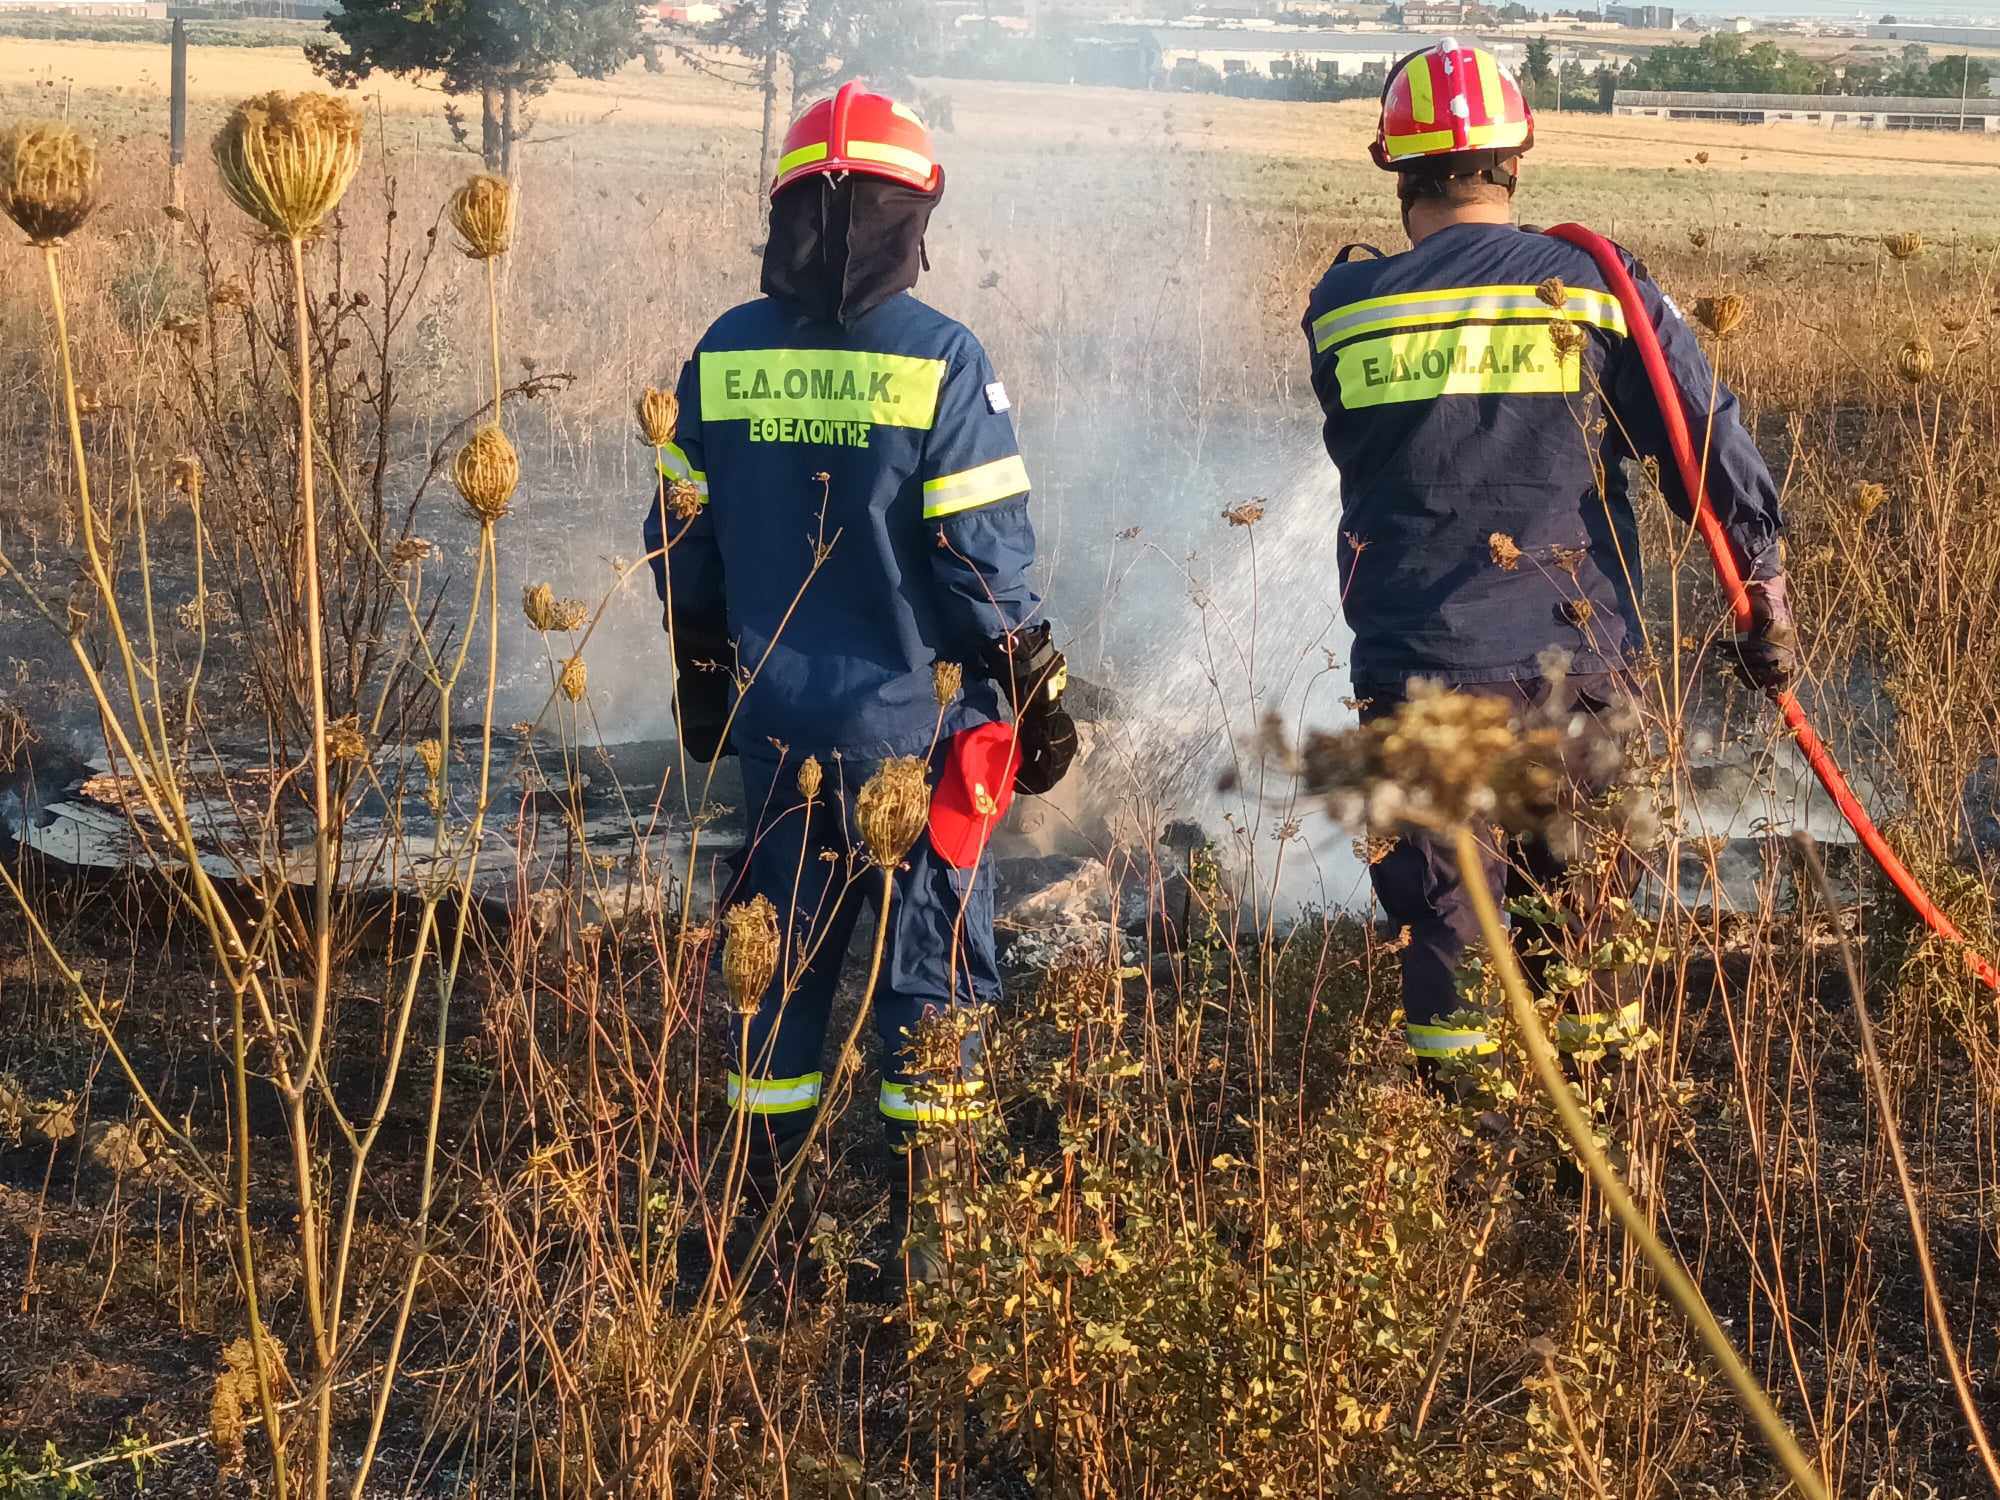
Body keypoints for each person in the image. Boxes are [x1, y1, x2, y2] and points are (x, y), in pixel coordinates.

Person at [644, 83, 1075, 1291]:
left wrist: (699, 677)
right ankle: (931, 1248)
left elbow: (681, 539)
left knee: (772, 969)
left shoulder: (724, 350)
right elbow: (984, 570)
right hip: (919, 742)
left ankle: (746, 1234)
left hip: (780, 735)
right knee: (928, 975)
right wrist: (1038, 698)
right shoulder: (940, 356)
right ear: (913, 213)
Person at [1302, 41, 1794, 1066]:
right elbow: (1700, 436)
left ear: (1396, 168)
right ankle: (1597, 1147)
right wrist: (1762, 591)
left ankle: (1456, 1162)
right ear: (1513, 162)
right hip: (1577, 664)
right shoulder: (1597, 288)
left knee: (1444, 930)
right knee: (1587, 917)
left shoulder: (1341, 309)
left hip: (1417, 670)